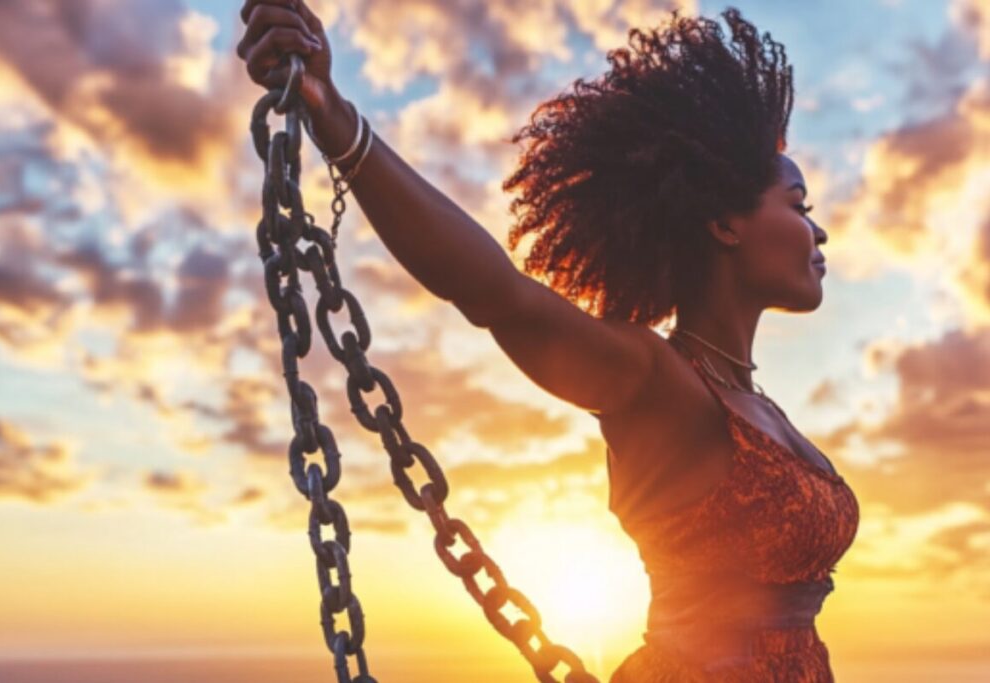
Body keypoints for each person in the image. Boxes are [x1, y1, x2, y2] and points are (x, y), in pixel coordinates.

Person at [237, 2, 860, 680]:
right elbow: (497, 294)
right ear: (724, 223)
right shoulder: (655, 379)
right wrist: (336, 119)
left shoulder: (757, 402)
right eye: (799, 206)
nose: (818, 233)